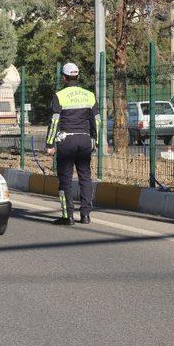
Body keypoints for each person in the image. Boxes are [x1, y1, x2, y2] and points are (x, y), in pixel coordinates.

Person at [46, 63, 100, 225]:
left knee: (65, 179)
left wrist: (49, 143)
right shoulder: (89, 95)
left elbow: (54, 121)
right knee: (85, 177)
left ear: (64, 77)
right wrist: (95, 141)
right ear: (78, 76)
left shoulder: (59, 95)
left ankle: (67, 216)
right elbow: (97, 122)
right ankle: (85, 215)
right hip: (84, 140)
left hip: (66, 141)